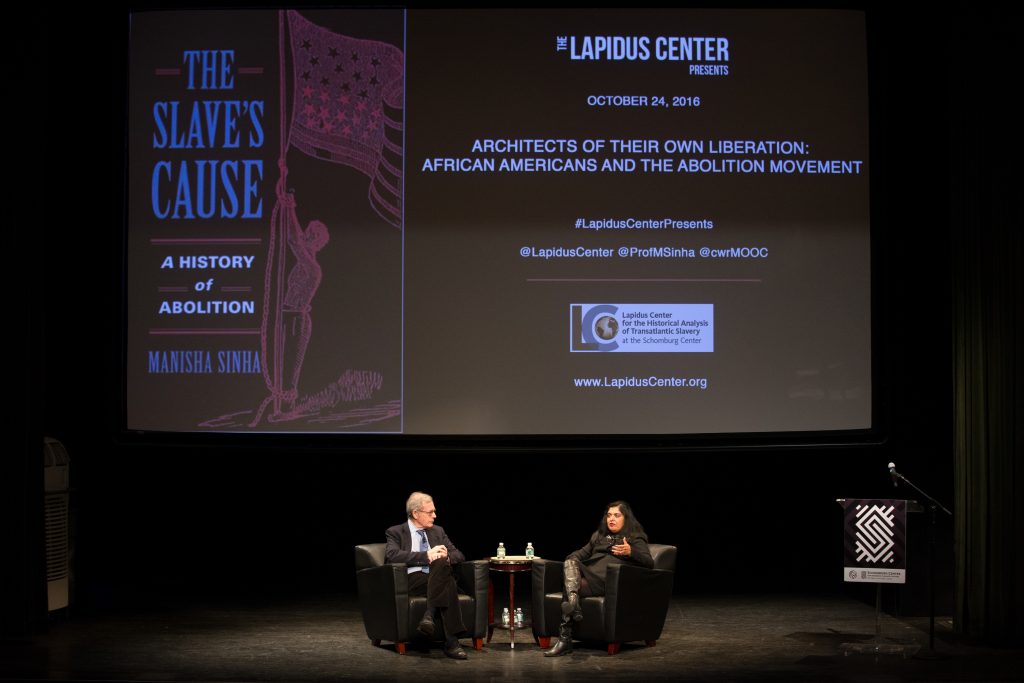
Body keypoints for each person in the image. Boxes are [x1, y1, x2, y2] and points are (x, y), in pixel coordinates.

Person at [543, 500, 654, 656]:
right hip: (588, 577)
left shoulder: (634, 538)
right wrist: (572, 561)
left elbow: (649, 563)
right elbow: (578, 554)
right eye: (609, 515)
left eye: (617, 515)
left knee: (569, 588)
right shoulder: (599, 536)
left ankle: (565, 639)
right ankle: (574, 606)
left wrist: (631, 552)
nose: (611, 519)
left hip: (608, 582)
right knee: (570, 564)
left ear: (626, 518)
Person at [385, 492, 469, 660]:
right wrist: (426, 555)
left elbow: (459, 555)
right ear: (415, 513)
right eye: (430, 512)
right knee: (448, 581)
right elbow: (392, 556)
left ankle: (428, 617)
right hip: (412, 579)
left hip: (436, 577)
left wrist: (447, 556)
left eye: (434, 511)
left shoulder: (438, 531)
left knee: (442, 566)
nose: (435, 516)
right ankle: (452, 642)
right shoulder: (396, 532)